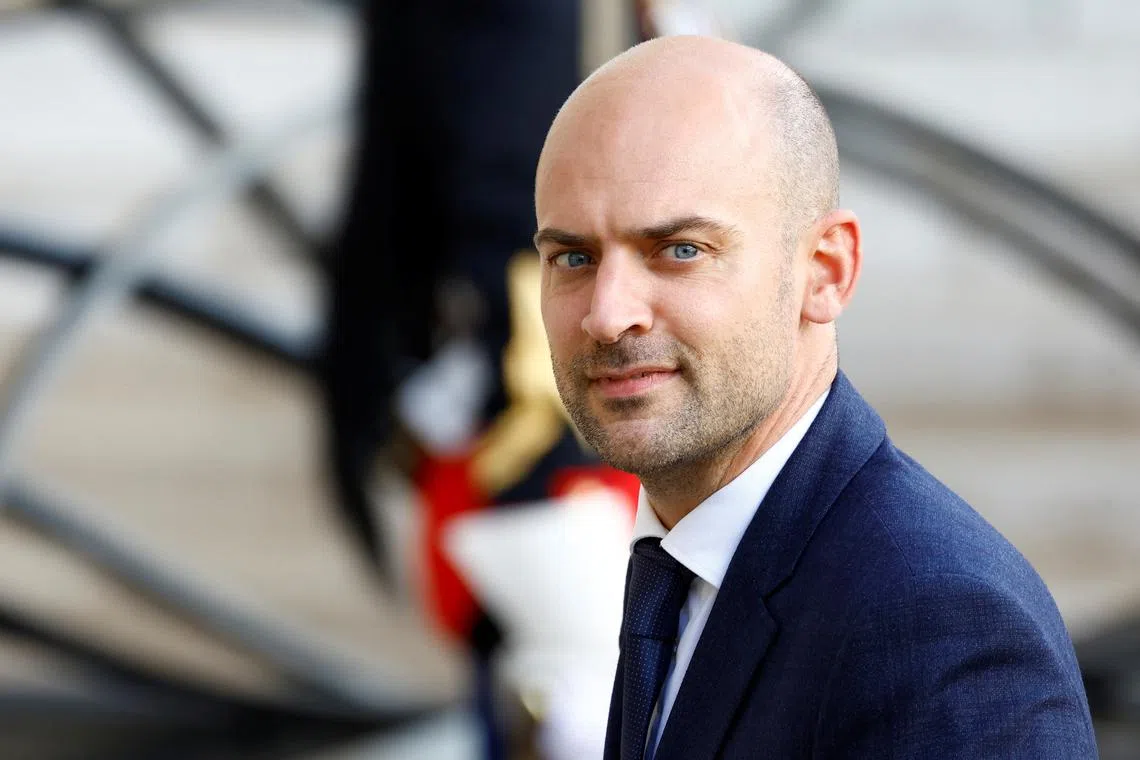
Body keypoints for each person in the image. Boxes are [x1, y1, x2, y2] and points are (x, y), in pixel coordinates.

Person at [534, 35, 1098, 759]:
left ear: (826, 271)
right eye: (573, 258)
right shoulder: (681, 570)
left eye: (680, 250)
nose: (609, 315)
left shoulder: (940, 624)